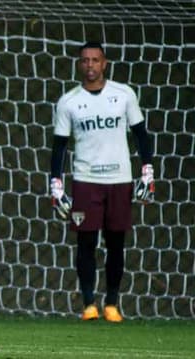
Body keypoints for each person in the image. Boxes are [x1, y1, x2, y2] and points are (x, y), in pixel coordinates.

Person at [50, 41, 154, 323]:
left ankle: (111, 303)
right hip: (85, 181)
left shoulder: (123, 95)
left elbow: (141, 135)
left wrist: (148, 172)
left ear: (104, 63)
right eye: (85, 60)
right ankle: (88, 304)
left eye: (95, 60)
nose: (90, 65)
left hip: (119, 180)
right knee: (85, 241)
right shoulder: (68, 102)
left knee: (116, 243)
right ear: (79, 64)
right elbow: (59, 147)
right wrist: (56, 185)